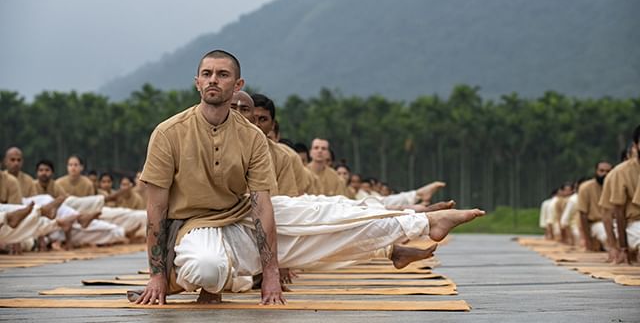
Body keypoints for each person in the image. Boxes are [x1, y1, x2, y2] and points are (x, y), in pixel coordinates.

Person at [134, 49, 484, 306]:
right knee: (208, 268)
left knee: (326, 215)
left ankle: (425, 222)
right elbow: (156, 210)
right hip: (193, 228)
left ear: (237, 83)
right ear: (197, 82)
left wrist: (271, 272)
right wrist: (156, 274)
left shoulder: (253, 138)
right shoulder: (169, 133)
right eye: (207, 73)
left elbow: (263, 206)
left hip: (240, 215)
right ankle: (401, 235)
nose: (214, 80)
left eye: (222, 74)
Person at [599, 126, 640, 264]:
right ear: (635, 145)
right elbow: (612, 212)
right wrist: (620, 247)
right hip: (634, 223)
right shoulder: (620, 172)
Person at [577, 161, 612, 251]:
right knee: (605, 235)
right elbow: (583, 214)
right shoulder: (585, 187)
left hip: (614, 222)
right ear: (596, 171)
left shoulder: (616, 186)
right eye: (602, 171)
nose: (605, 174)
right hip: (596, 223)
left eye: (608, 171)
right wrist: (587, 240)